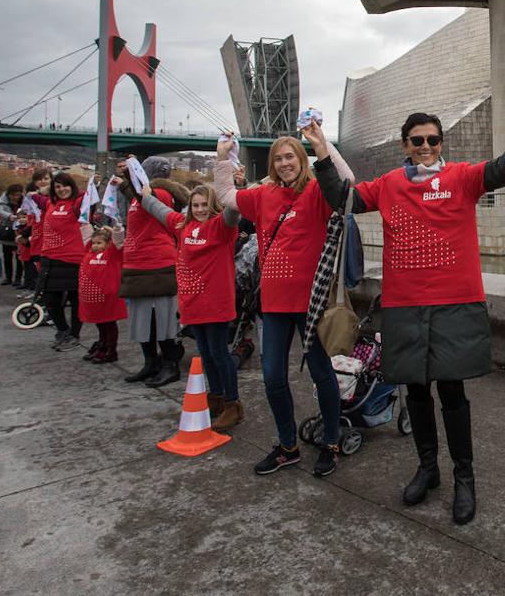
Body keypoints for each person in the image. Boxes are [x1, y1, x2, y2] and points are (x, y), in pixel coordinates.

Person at [307, 111, 505, 524]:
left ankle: (464, 478)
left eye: (431, 140)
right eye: (416, 141)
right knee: (415, 390)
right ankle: (427, 469)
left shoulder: (463, 177)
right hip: (404, 305)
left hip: (455, 304)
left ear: (441, 143)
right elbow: (344, 200)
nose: (425, 147)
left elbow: (503, 170)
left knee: (451, 392)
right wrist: (321, 151)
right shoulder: (391, 184)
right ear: (405, 146)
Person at [212, 133, 352, 477]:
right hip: (273, 303)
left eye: (290, 157)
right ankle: (288, 446)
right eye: (278, 159)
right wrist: (222, 158)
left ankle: (331, 442)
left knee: (322, 375)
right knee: (272, 375)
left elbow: (347, 183)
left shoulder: (318, 191)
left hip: (311, 303)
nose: (284, 163)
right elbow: (227, 196)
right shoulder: (263, 195)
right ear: (272, 165)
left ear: (301, 161)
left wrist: (323, 145)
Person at [141, 182, 243, 432]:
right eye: (195, 205)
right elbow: (157, 209)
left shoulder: (221, 227)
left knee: (219, 353)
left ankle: (233, 404)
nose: (199, 210)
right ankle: (216, 397)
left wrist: (233, 189)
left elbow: (232, 210)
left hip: (216, 303)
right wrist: (142, 194)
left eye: (204, 205)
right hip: (192, 304)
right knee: (205, 354)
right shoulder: (181, 225)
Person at [111, 156, 187, 388]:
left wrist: (127, 179)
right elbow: (136, 198)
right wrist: (125, 182)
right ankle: (150, 361)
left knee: (162, 318)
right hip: (137, 263)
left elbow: (146, 200)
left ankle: (170, 364)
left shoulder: (160, 195)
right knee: (143, 318)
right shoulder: (138, 196)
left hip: (157, 263)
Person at [37, 171, 87, 351]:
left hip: (74, 259)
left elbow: (87, 194)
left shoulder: (78, 203)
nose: (61, 189)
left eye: (65, 185)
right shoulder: (50, 202)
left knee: (76, 301)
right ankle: (63, 330)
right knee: (50, 299)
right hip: (50, 258)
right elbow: (34, 196)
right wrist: (43, 189)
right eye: (57, 187)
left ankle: (74, 334)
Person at [79, 225, 126, 364]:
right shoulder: (88, 253)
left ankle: (111, 350)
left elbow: (118, 240)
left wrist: (114, 229)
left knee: (109, 325)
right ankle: (101, 345)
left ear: (107, 243)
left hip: (108, 298)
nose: (95, 246)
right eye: (94, 243)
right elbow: (85, 234)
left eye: (99, 243)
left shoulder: (112, 254)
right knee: (100, 325)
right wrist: (85, 222)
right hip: (94, 300)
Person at [0, 185, 24, 287]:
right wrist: (9, 216)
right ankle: (8, 277)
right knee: (7, 255)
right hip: (7, 229)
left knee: (19, 256)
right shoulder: (2, 201)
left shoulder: (24, 200)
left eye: (18, 195)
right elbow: (0, 211)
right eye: (13, 195)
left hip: (19, 230)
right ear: (9, 195)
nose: (16, 197)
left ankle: (18, 278)